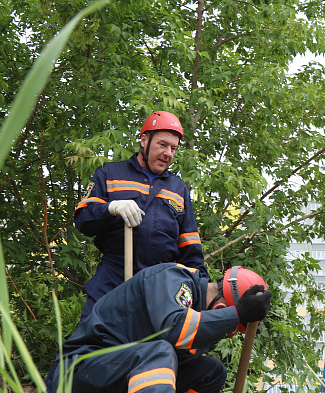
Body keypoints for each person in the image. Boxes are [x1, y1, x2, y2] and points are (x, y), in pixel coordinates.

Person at [44, 263, 272, 393]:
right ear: (220, 306)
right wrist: (237, 314)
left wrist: (235, 315)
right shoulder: (174, 278)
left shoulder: (201, 325)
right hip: (78, 373)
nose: (228, 332)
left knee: (211, 371)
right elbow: (173, 328)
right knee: (159, 351)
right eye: (232, 328)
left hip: (121, 380)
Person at [74, 111, 208, 319]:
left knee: (151, 349)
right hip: (112, 279)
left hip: (159, 287)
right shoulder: (109, 174)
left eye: (173, 148)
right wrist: (111, 208)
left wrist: (203, 295)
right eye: (162, 145)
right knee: (86, 343)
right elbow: (83, 220)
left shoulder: (178, 189)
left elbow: (191, 250)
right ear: (144, 140)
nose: (168, 153)